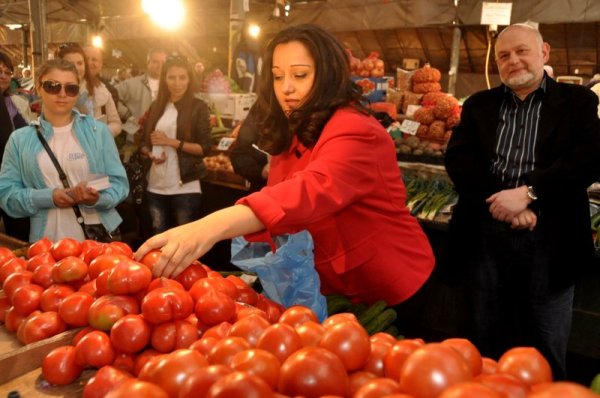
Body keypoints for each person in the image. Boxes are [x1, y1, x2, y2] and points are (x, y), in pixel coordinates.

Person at [135, 24, 435, 307]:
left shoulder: (357, 129)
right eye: (278, 77)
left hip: (389, 283)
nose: (286, 88)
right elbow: (280, 196)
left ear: (328, 75)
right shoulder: (295, 126)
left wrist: (210, 227)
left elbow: (308, 191)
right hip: (332, 284)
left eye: (300, 75)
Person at [444, 23, 600, 379]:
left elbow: (588, 159)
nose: (512, 60)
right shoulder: (479, 105)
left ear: (544, 52)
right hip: (486, 238)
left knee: (546, 344)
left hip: (552, 241)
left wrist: (530, 194)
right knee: (485, 339)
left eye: (521, 51)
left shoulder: (577, 103)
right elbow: (459, 160)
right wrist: (503, 204)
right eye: (504, 55)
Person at [0, 59, 129, 243]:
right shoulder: (20, 140)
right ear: (39, 87)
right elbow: (6, 194)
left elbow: (119, 185)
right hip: (46, 246)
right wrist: (48, 197)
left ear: (78, 93)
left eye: (71, 88)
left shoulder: (98, 131)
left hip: (97, 241)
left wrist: (96, 199)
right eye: (53, 86)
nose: (62, 94)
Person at [138, 55, 212, 235]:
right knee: (158, 240)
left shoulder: (198, 107)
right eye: (172, 77)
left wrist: (171, 142)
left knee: (184, 242)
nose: (177, 83)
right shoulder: (157, 106)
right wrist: (150, 154)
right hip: (155, 185)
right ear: (165, 79)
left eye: (182, 77)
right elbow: (143, 142)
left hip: (185, 185)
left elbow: (204, 148)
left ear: (189, 79)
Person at [0, 51, 36, 241]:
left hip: (14, 179)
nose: (4, 76)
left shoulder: (15, 103)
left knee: (19, 233)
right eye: (0, 71)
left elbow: (29, 134)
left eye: (7, 72)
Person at [56, 43, 122, 137]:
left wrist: (101, 133)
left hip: (95, 147)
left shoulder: (101, 89)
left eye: (80, 63)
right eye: (70, 64)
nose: (76, 68)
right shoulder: (53, 91)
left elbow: (116, 123)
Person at [116, 48, 167, 122]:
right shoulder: (132, 84)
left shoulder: (170, 86)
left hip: (162, 131)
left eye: (163, 62)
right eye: (155, 62)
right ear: (148, 63)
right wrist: (127, 115)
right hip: (139, 131)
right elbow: (109, 97)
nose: (160, 65)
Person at [229, 104, 269, 192]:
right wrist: (262, 171)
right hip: (262, 193)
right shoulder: (262, 107)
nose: (288, 89)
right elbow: (239, 155)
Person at [84, 45, 120, 114]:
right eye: (86, 59)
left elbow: (109, 120)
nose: (89, 63)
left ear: (101, 65)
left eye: (94, 59)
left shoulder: (110, 91)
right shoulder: (69, 84)